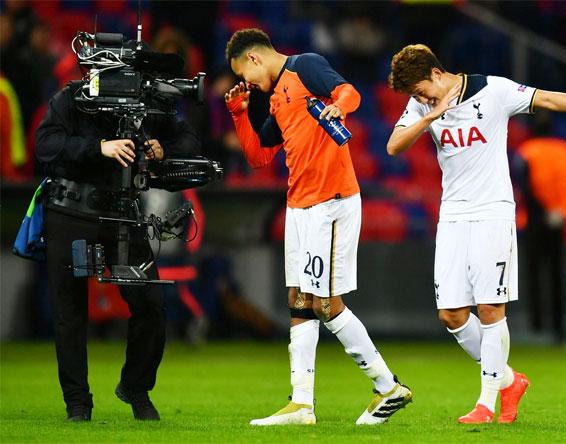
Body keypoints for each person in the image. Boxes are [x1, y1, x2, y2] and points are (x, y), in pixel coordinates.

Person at [385, 44, 566, 424]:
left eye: (422, 91)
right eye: (416, 97)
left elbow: (546, 98)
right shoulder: (422, 105)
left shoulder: (493, 91)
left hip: (493, 213)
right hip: (452, 215)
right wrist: (429, 113)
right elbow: (393, 146)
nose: (420, 99)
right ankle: (507, 380)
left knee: (489, 308)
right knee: (451, 315)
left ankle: (486, 404)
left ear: (437, 74)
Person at [224, 28, 412, 426]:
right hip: (299, 205)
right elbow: (259, 157)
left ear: (255, 59)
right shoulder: (273, 98)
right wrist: (240, 113)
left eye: (246, 74)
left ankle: (387, 386)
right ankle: (302, 405)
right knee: (298, 301)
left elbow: (351, 93)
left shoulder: (305, 66)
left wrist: (339, 106)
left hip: (331, 201)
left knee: (326, 303)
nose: (248, 83)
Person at [35, 70, 200, 420]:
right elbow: (45, 144)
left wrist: (162, 148)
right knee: (70, 311)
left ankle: (136, 388)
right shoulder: (73, 96)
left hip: (124, 213)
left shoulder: (147, 100)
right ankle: (78, 403)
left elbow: (189, 140)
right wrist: (98, 148)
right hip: (71, 211)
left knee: (150, 303)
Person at [516, 113, 566, 343]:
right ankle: (559, 328)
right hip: (559, 219)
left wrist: (542, 212)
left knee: (534, 274)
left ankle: (537, 326)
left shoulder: (527, 150)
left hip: (535, 219)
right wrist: (561, 211)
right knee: (557, 274)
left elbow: (524, 185)